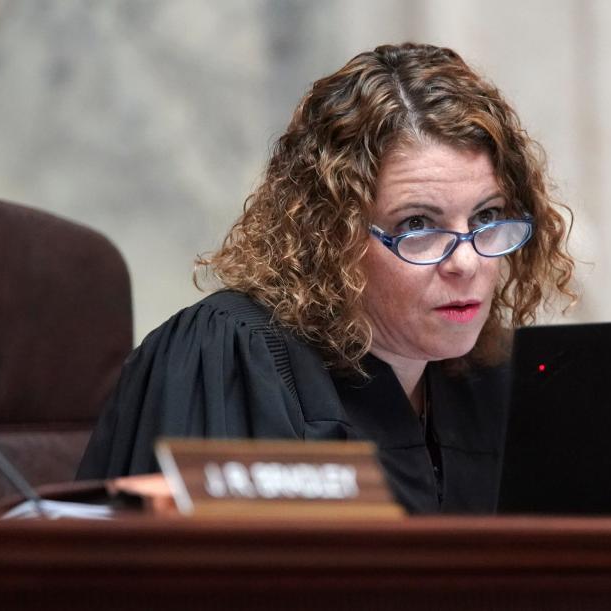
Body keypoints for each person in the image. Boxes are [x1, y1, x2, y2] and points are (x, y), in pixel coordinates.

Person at [77, 42, 576, 514]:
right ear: (331, 235)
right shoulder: (229, 356)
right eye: (417, 225)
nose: (466, 262)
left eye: (487, 217)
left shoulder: (488, 379)